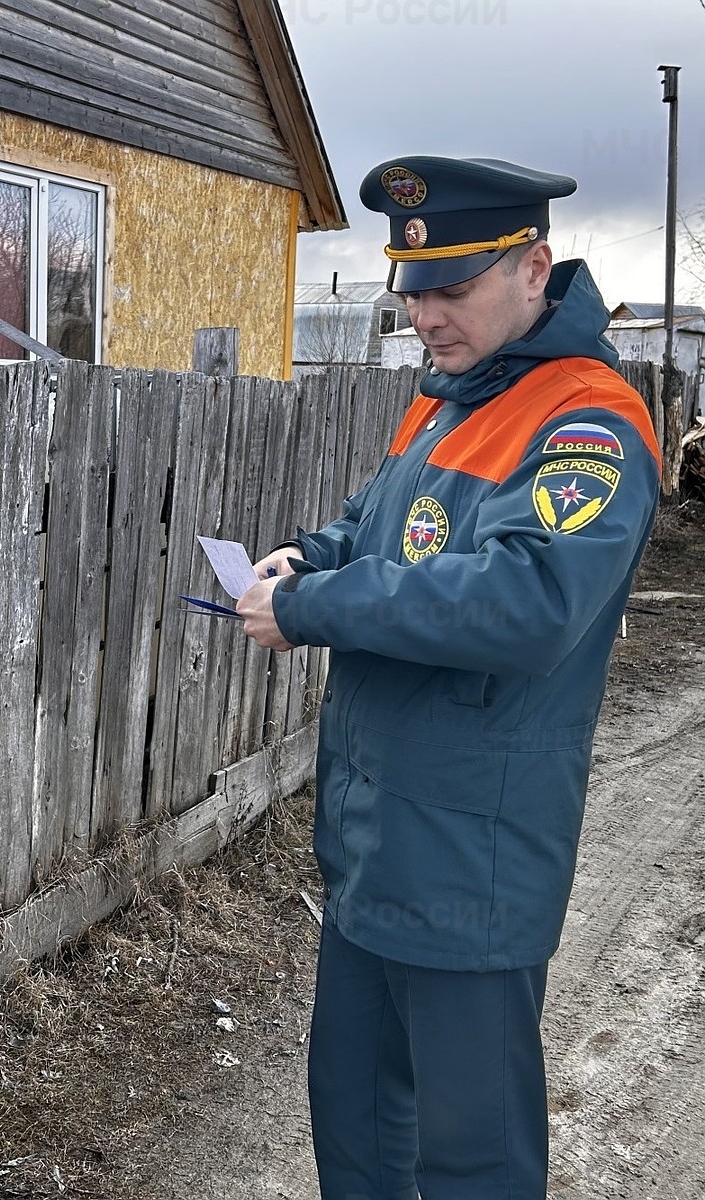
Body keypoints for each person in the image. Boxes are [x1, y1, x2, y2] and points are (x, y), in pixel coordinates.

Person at [237, 156, 661, 1198]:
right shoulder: (450, 403)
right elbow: (384, 530)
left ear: (533, 268)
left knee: (472, 1158)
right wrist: (313, 557)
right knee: (356, 1128)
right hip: (377, 850)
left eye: (453, 289)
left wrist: (315, 608)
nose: (426, 314)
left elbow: (524, 600)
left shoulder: (587, 424)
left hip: (473, 863)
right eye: (414, 290)